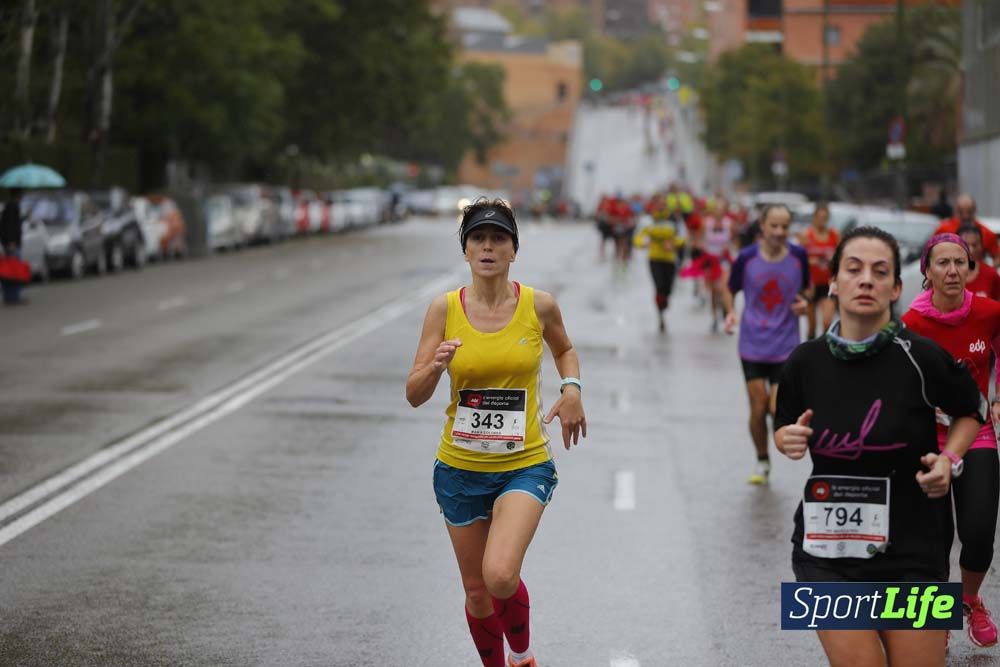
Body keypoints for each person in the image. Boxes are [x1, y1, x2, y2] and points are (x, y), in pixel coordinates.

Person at [774, 226, 984, 667]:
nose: (866, 280)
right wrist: (785, 439)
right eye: (853, 269)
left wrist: (949, 460)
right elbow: (784, 424)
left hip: (915, 550)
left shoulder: (921, 356)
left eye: (880, 271)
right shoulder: (803, 362)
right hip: (826, 552)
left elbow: (972, 410)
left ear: (897, 287)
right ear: (833, 282)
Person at [406, 199, 587, 667]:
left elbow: (565, 349)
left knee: (500, 575)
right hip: (459, 468)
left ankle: (523, 657)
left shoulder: (538, 305)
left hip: (523, 463)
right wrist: (435, 367)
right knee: (477, 591)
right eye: (478, 239)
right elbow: (414, 393)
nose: (488, 247)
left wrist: (572, 388)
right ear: (466, 250)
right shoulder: (443, 309)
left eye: (498, 239)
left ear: (513, 250)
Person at [902, 233, 1000, 648]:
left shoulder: (989, 313)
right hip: (927, 439)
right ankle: (938, 613)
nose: (953, 270)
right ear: (927, 271)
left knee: (978, 533)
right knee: (934, 539)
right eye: (943, 263)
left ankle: (970, 599)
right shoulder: (911, 325)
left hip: (976, 432)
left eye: (960, 262)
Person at [722, 204, 810, 484]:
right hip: (752, 344)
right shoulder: (747, 257)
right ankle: (762, 460)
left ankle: (774, 441)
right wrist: (730, 312)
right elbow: (729, 288)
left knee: (776, 408)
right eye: (774, 226)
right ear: (762, 226)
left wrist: (804, 303)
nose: (780, 232)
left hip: (786, 344)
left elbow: (807, 289)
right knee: (758, 407)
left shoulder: (798, 256)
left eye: (785, 226)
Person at [634, 204, 686, 332]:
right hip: (654, 259)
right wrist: (644, 243)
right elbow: (637, 238)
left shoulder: (673, 223)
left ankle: (664, 304)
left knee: (668, 288)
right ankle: (660, 315)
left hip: (669, 260)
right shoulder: (648, 222)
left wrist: (673, 243)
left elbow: (683, 238)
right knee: (659, 286)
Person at [798, 203, 840, 338]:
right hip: (811, 285)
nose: (822, 220)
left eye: (825, 217)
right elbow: (799, 260)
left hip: (828, 284)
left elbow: (841, 258)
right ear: (814, 217)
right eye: (820, 217)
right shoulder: (807, 235)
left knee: (827, 322)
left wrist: (833, 260)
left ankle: (824, 347)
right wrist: (813, 261)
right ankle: (810, 348)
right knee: (812, 327)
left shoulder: (834, 235)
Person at [935, 194, 999, 263]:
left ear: (975, 210)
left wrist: (986, 269)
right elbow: (932, 253)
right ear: (955, 211)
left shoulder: (985, 233)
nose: (965, 216)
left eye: (969, 212)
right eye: (961, 212)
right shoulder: (943, 230)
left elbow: (998, 256)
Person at [959, 225, 1000, 301]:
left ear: (981, 246)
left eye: (974, 245)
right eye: (966, 245)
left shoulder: (991, 275)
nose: (971, 250)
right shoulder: (947, 275)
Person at [0, 188, 26, 305]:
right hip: (12, 244)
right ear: (18, 195)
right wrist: (11, 242)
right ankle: (13, 296)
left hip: (10, 243)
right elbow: (10, 226)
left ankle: (11, 295)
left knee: (9, 270)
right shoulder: (12, 207)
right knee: (13, 271)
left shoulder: (10, 207)